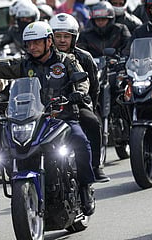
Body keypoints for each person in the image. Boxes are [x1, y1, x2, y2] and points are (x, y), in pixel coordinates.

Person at [0, 21, 96, 215]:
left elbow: (82, 79)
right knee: (11, 149)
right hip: (34, 120)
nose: (33, 47)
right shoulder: (23, 63)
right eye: (29, 43)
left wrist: (78, 93)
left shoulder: (66, 60)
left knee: (80, 141)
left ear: (48, 41)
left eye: (37, 43)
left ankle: (86, 187)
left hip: (62, 117)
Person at [49, 13, 109, 182]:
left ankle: (96, 166)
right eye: (58, 36)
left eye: (66, 36)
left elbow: (94, 86)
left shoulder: (84, 57)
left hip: (76, 105)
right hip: (47, 108)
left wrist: (88, 104)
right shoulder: (43, 57)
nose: (62, 40)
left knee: (92, 121)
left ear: (74, 38)